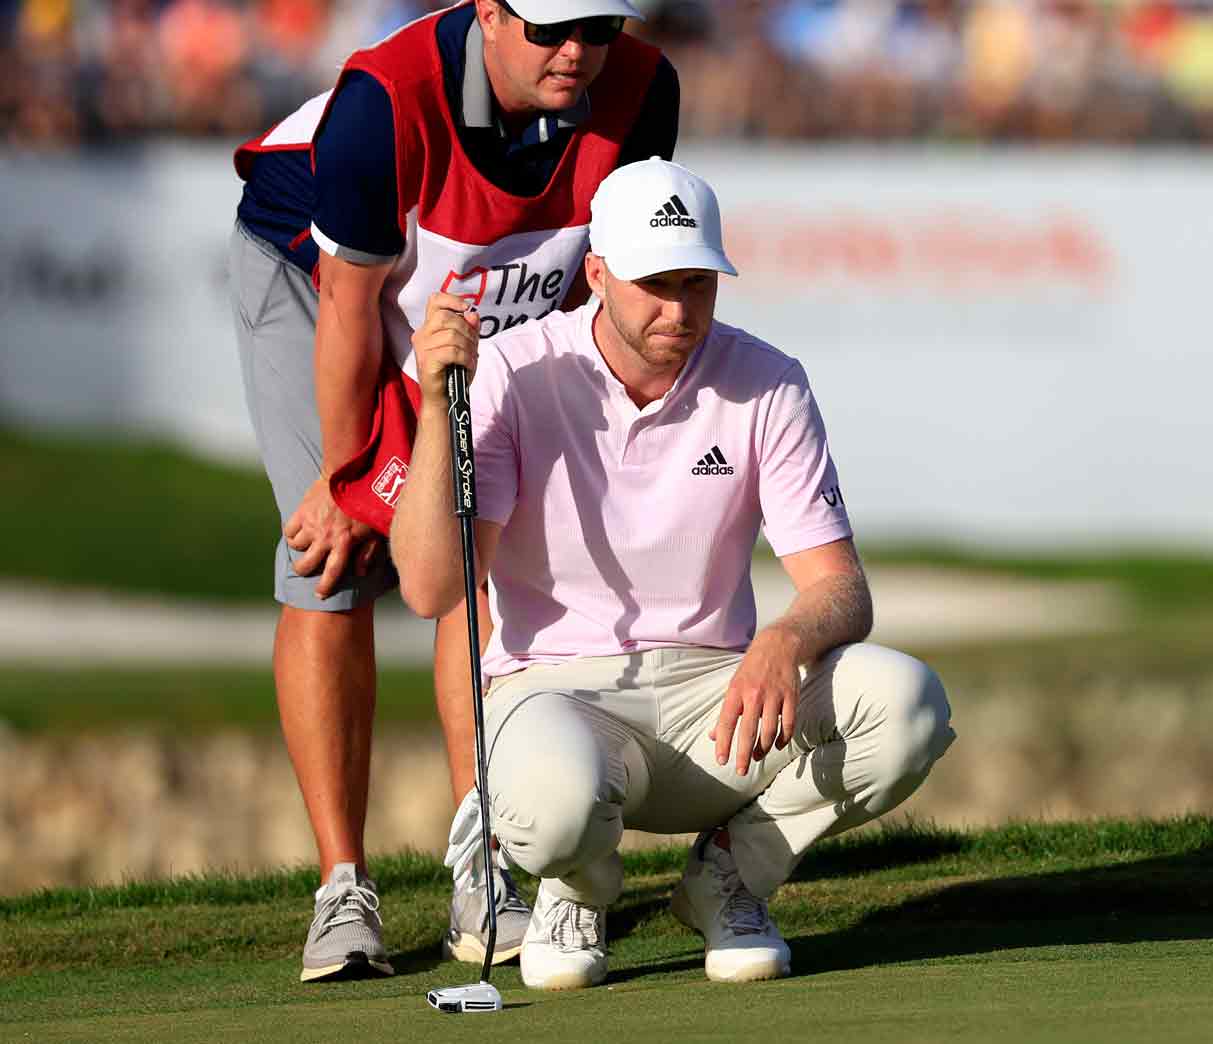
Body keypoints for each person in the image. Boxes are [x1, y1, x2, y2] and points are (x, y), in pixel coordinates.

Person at [390, 158, 956, 990]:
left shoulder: (768, 381)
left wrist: (785, 639)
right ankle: (575, 890)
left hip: (717, 704)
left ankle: (730, 878)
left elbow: (842, 587)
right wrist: (439, 409)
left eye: (697, 283)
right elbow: (430, 588)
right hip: (556, 692)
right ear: (595, 275)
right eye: (654, 284)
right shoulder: (514, 369)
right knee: (551, 809)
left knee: (907, 705)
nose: (679, 310)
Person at [228, 0, 680, 982]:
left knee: (483, 549)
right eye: (550, 29)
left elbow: (592, 280)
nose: (577, 52)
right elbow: (352, 307)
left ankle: (485, 865)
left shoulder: (643, 91)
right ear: (488, 12)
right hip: (317, 284)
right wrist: (351, 480)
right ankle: (342, 889)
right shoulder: (384, 101)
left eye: (598, 29)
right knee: (333, 563)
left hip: (479, 306)